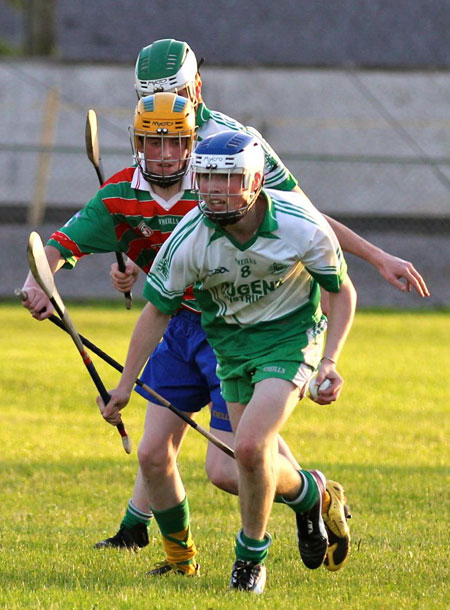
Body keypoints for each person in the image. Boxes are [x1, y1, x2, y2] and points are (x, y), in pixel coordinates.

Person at [21, 92, 349, 576]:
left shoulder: (220, 180)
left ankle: (302, 500)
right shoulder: (121, 195)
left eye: (176, 142)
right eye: (154, 143)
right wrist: (38, 283)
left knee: (231, 465)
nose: (166, 154)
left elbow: (312, 225)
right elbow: (64, 245)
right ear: (136, 144)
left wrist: (378, 258)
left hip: (243, 328)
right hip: (181, 327)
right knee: (155, 453)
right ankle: (181, 559)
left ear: (193, 143)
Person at [99, 130, 358, 593]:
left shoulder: (300, 223)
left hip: (289, 341)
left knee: (251, 446)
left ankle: (249, 561)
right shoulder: (191, 237)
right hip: (230, 349)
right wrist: (125, 384)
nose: (216, 191)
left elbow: (342, 292)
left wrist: (330, 361)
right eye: (209, 179)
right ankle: (309, 494)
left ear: (256, 179)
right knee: (236, 468)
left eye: (229, 178)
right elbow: (156, 310)